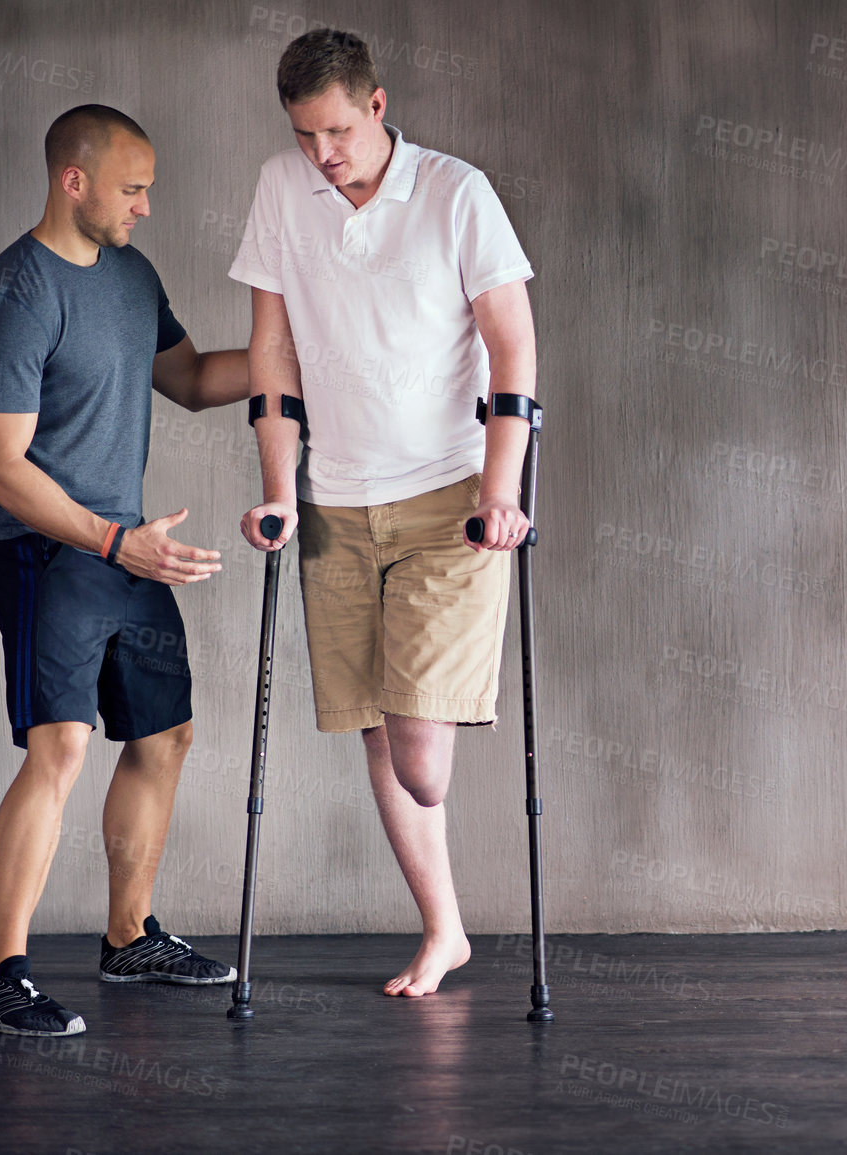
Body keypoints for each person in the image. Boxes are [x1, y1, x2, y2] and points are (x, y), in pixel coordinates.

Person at [231, 28, 537, 997]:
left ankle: (449, 924)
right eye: (302, 133)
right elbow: (271, 356)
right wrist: (280, 489)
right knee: (373, 729)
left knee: (421, 762)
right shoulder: (284, 189)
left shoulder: (456, 193)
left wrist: (502, 493)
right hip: (337, 501)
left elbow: (514, 349)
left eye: (335, 130)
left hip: (451, 497)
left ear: (376, 104)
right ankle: (443, 932)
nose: (321, 154)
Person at [0, 104, 250, 1036]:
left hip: (129, 542)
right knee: (63, 748)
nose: (148, 207)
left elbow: (198, 378)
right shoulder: (17, 294)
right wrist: (112, 541)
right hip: (47, 546)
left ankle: (128, 937)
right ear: (72, 181)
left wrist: (301, 353)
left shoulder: (132, 276)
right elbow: (1, 467)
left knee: (165, 734)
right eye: (134, 189)